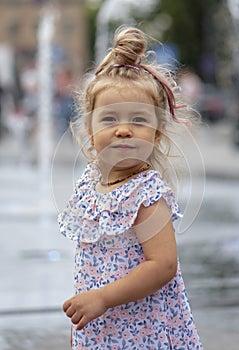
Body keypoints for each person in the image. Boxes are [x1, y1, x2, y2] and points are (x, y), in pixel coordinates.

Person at [58, 26, 202, 349]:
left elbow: (163, 264)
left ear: (156, 135)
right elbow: (89, 262)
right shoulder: (89, 184)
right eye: (109, 120)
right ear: (90, 133)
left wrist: (102, 298)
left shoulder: (145, 192)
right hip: (102, 327)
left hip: (141, 329)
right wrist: (83, 317)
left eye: (138, 120)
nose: (123, 130)